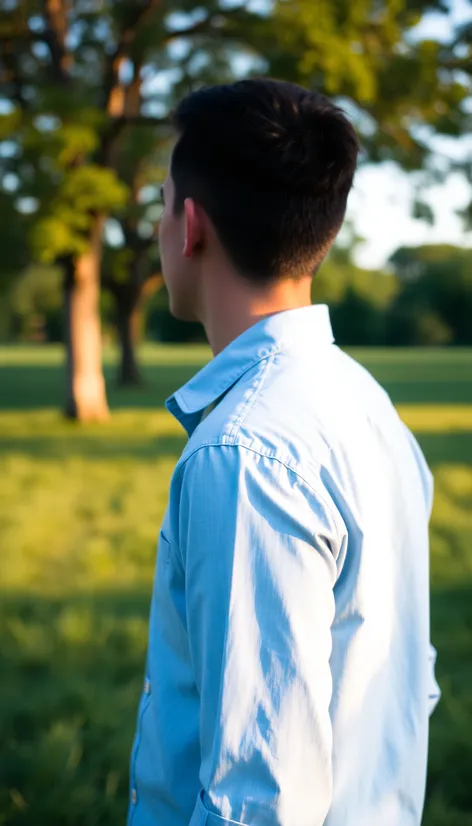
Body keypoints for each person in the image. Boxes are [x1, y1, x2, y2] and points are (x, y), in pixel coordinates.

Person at [128, 78, 440, 826]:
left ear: (190, 225)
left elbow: (261, 798)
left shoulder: (243, 453)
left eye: (163, 202)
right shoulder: (365, 404)